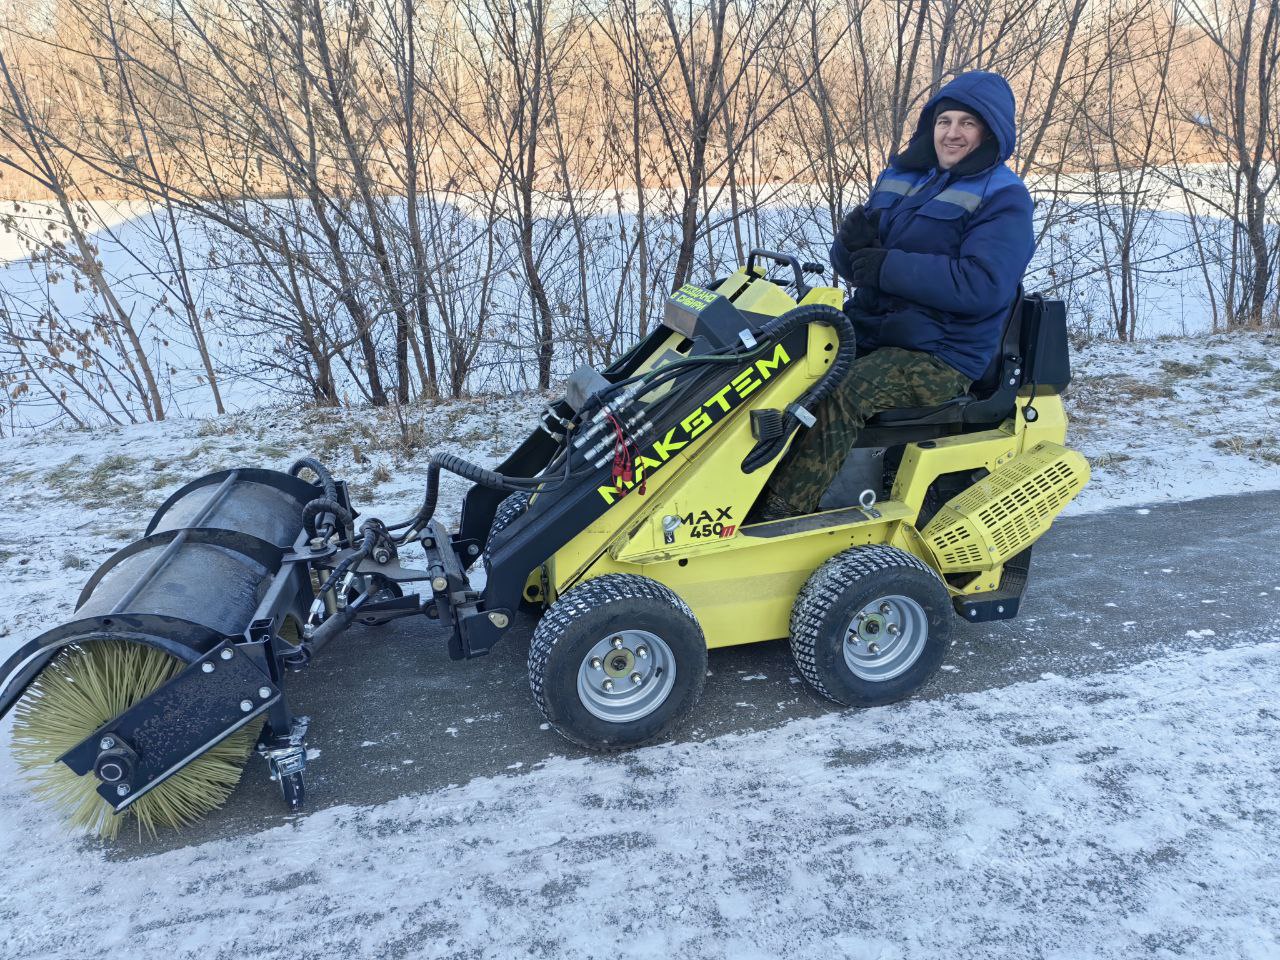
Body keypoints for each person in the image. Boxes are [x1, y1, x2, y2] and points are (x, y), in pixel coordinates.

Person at [757, 70, 1035, 520]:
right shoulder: (904, 178)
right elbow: (862, 269)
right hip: (875, 330)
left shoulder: (1004, 197)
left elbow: (982, 285)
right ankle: (738, 490)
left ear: (990, 132)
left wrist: (888, 265)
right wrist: (849, 247)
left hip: (941, 353)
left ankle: (782, 513)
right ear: (931, 125)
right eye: (945, 121)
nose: (953, 133)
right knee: (779, 366)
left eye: (968, 123)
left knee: (844, 390)